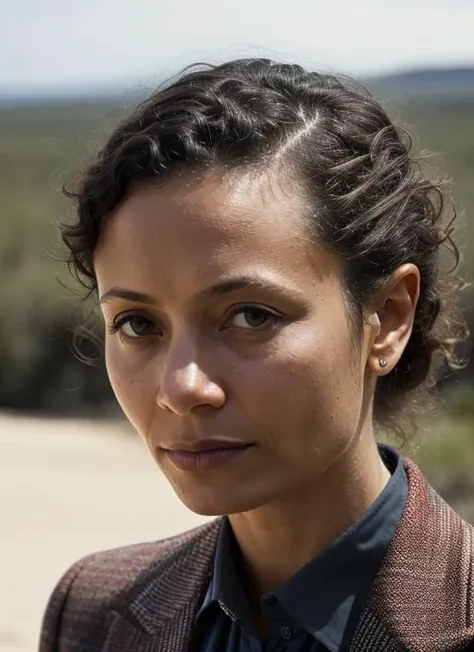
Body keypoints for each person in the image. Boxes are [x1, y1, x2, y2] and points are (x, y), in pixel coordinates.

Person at [39, 58, 474, 652]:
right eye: (138, 324)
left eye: (250, 316)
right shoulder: (91, 615)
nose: (183, 387)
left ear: (387, 318)